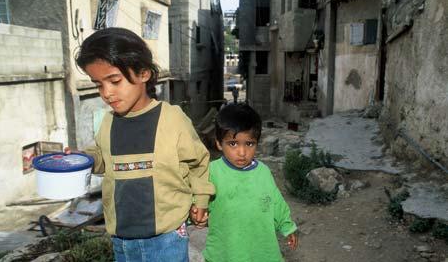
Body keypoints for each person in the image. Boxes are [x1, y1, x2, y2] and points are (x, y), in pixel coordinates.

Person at [72, 27, 214, 261]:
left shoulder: (172, 119)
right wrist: (79, 160)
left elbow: (199, 162)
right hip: (121, 237)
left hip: (166, 237)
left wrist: (201, 200)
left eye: (114, 80)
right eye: (98, 84)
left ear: (144, 73)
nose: (106, 93)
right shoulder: (108, 122)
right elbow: (103, 159)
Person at [203, 103, 298, 262]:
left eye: (249, 144)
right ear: (219, 143)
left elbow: (276, 203)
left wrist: (287, 226)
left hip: (261, 252)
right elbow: (197, 200)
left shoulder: (263, 173)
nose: (242, 152)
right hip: (225, 253)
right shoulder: (212, 172)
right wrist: (194, 213)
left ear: (257, 143)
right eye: (233, 144)